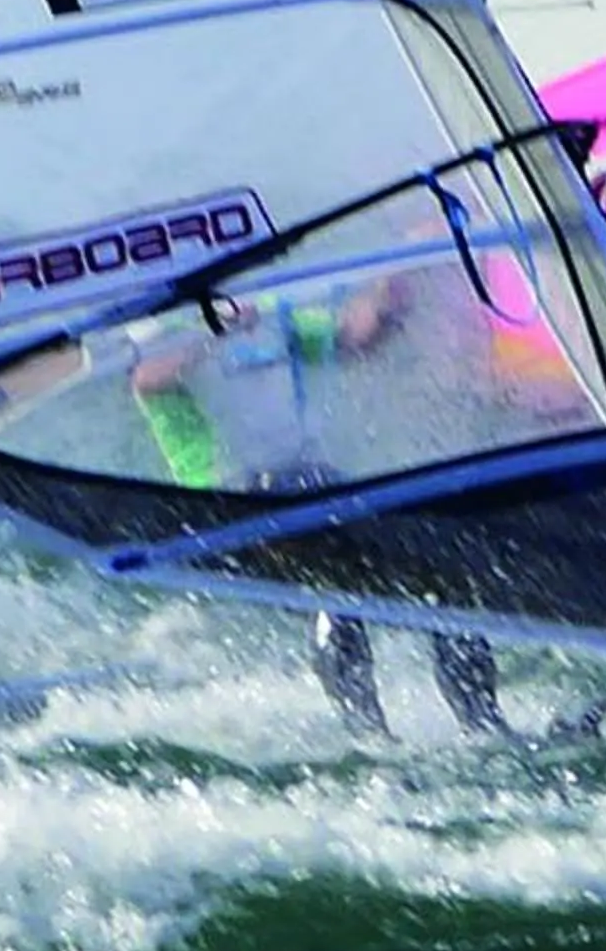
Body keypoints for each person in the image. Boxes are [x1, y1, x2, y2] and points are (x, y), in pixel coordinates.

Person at [131, 276, 505, 739]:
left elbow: (351, 339)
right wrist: (215, 330)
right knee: (336, 592)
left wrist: (390, 293)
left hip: (317, 484)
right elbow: (148, 380)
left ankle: (485, 725)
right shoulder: (160, 333)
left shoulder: (272, 318)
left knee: (443, 581)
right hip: (239, 506)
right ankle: (368, 735)